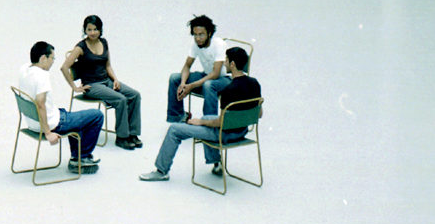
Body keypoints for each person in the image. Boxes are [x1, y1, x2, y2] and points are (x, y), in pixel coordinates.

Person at [141, 44, 259, 181]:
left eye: (226, 60)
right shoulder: (255, 83)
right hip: (243, 130)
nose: (224, 63)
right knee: (207, 117)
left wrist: (199, 122)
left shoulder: (229, 89)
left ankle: (161, 171)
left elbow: (220, 122)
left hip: (225, 134)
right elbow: (259, 113)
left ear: (232, 64)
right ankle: (216, 163)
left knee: (174, 130)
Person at [18, 41, 103, 173]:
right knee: (97, 115)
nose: (53, 62)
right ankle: (82, 157)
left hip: (32, 123)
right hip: (52, 124)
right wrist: (48, 133)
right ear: (43, 58)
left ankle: (77, 157)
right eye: (52, 58)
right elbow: (40, 103)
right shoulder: (42, 76)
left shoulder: (24, 70)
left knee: (71, 117)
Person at [61, 15, 142, 149]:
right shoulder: (80, 47)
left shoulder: (104, 42)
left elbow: (108, 65)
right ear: (85, 30)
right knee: (120, 99)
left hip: (107, 81)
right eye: (89, 29)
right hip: (92, 86)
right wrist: (75, 88)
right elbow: (64, 67)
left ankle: (132, 134)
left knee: (135, 95)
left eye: (95, 29)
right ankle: (122, 137)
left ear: (100, 30)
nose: (92, 33)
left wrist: (115, 79)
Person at [167, 14, 230, 124]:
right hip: (206, 76)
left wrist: (191, 86)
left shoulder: (219, 44)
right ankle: (177, 118)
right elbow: (187, 66)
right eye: (195, 35)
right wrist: (182, 83)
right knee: (175, 78)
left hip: (224, 80)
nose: (197, 38)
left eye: (201, 35)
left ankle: (209, 123)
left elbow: (215, 74)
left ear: (209, 33)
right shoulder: (195, 44)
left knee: (209, 84)